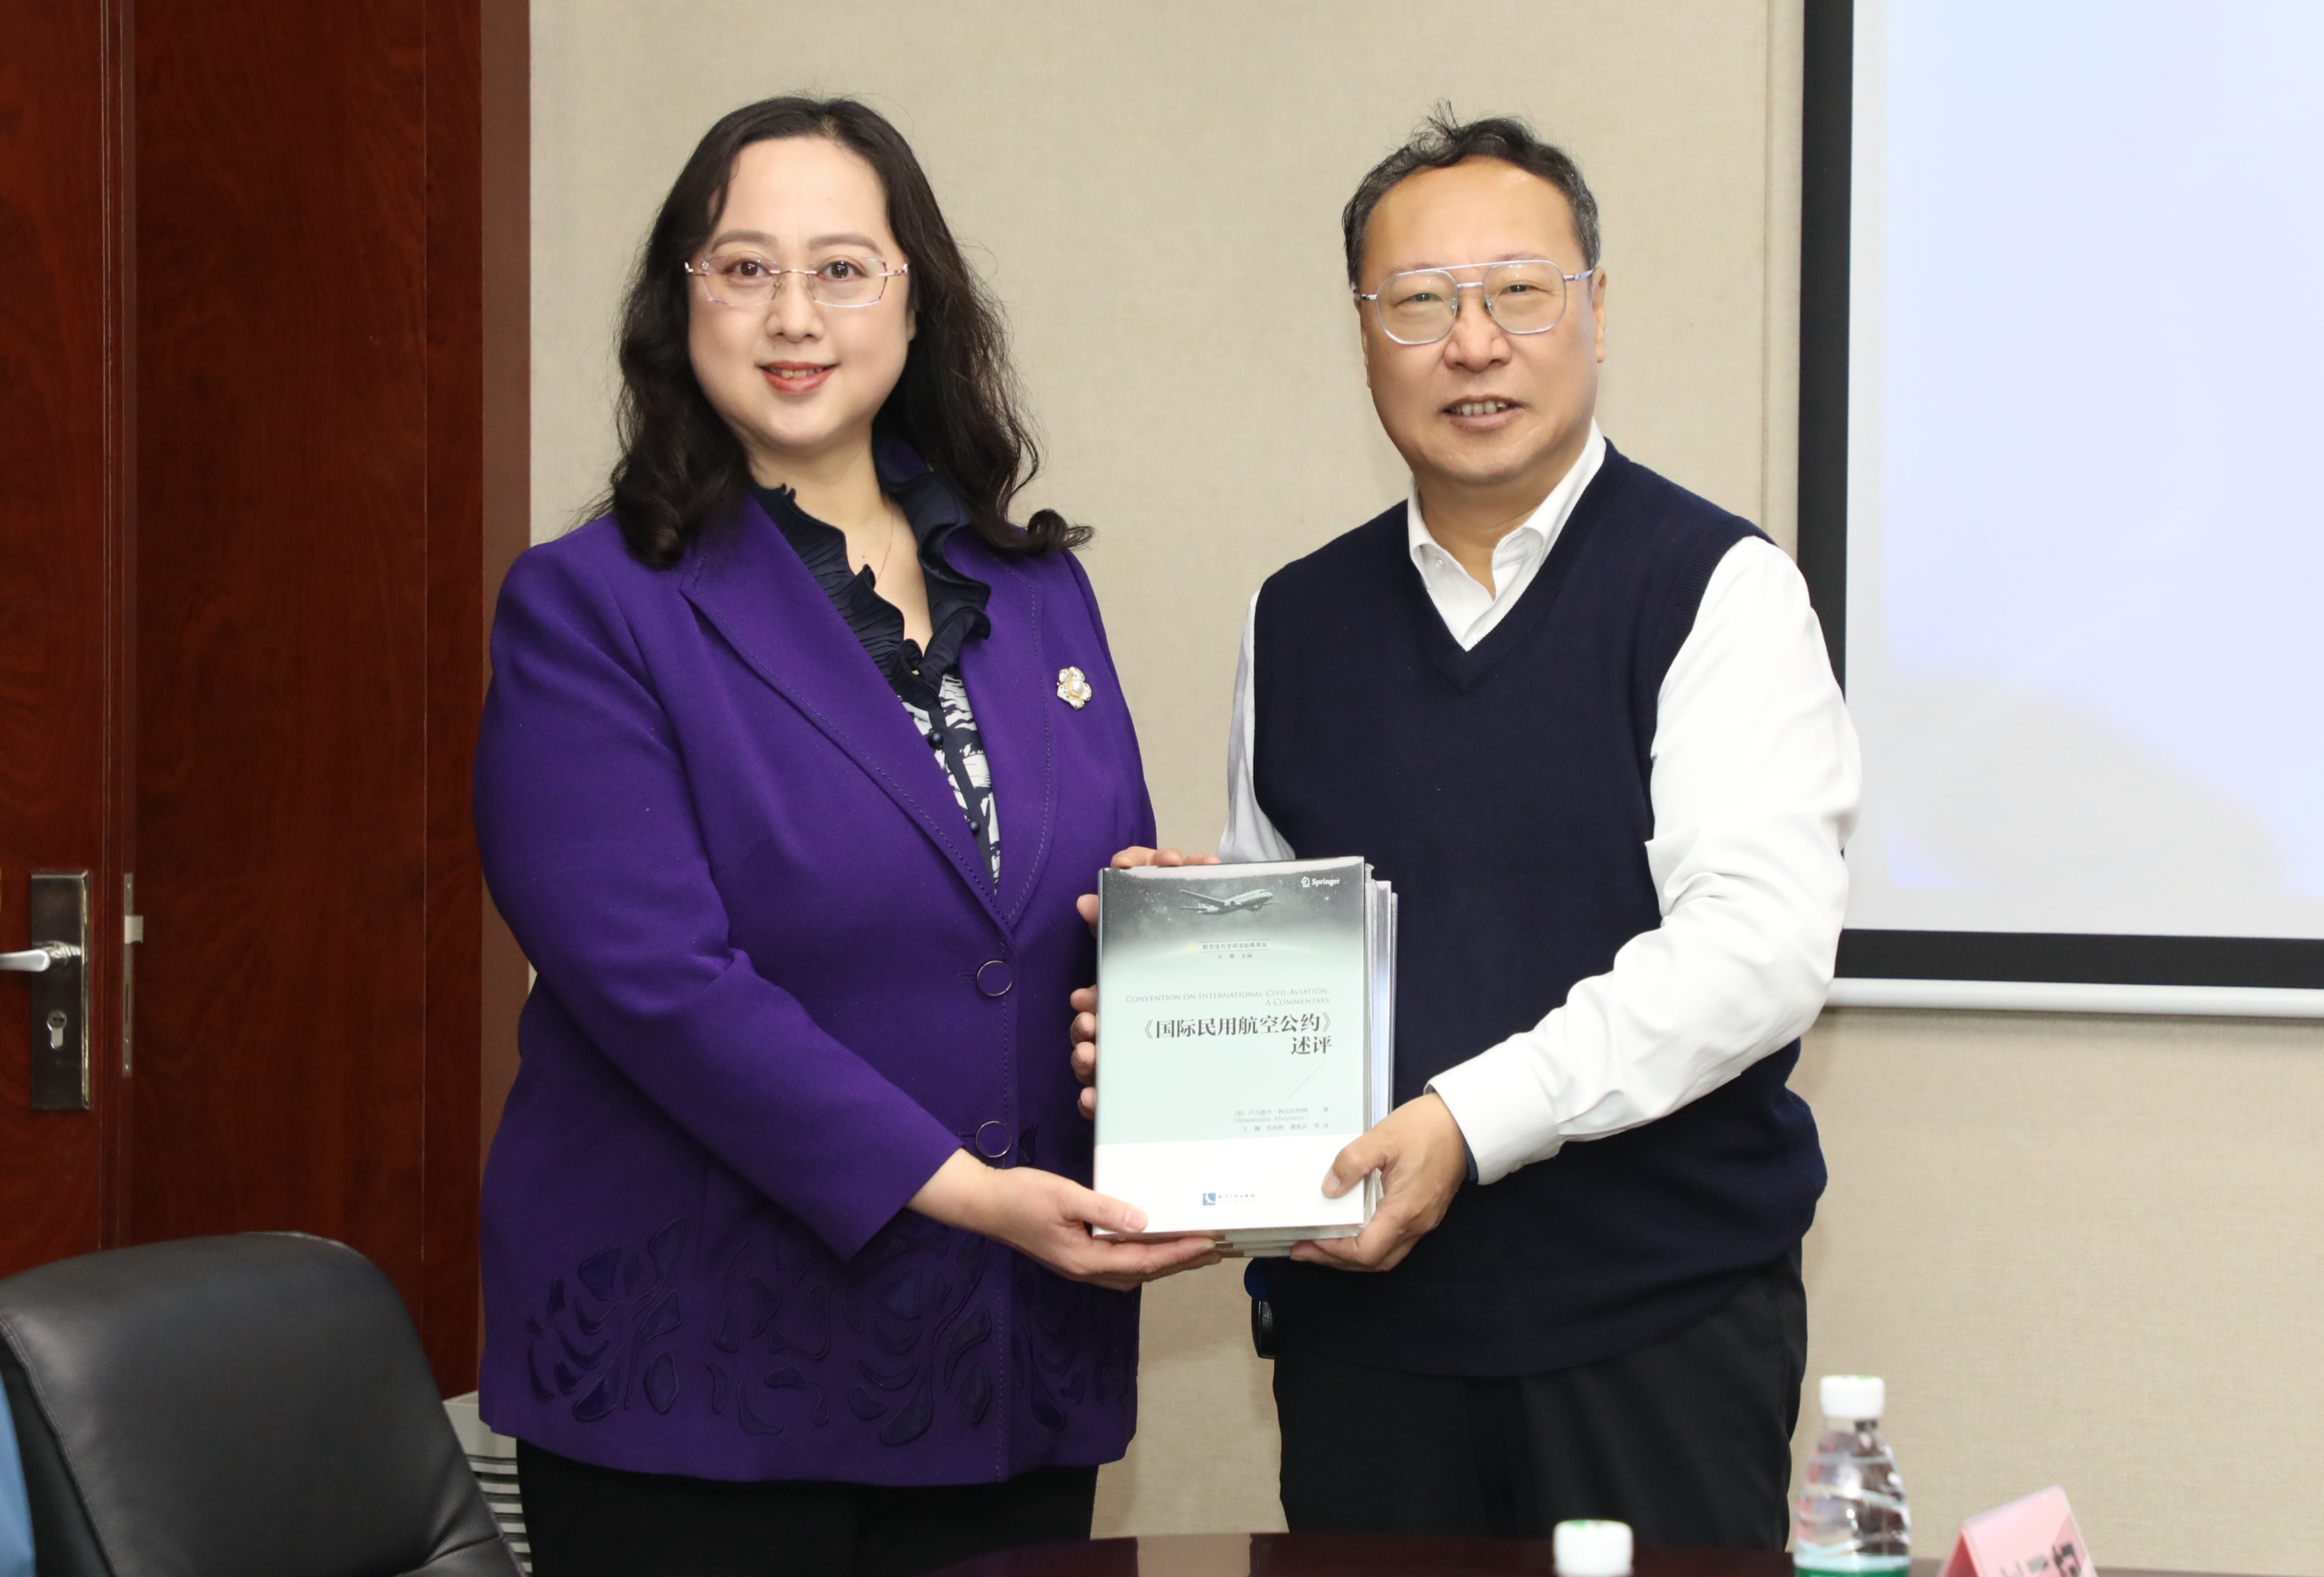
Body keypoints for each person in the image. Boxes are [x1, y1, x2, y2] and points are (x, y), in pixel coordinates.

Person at [1072, 111, 1860, 1547]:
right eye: (1420, 302)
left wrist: (1465, 1122)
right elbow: (1291, 951)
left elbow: (1753, 953)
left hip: (1652, 1332)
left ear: (1597, 312)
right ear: (1365, 334)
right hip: (1365, 1340)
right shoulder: (1295, 616)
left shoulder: (1718, 588)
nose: (1474, 343)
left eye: (1520, 293)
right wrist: (1186, 989)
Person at [473, 96, 1215, 1577]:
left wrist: (1155, 957)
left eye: (842, 269)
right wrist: (971, 1195)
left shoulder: (1034, 592)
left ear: (916, 301)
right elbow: (659, 985)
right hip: (706, 1384)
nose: (793, 316)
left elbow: (1063, 901)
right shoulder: (592, 606)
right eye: (745, 268)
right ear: (680, 301)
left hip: (1006, 1364)